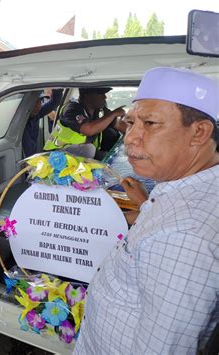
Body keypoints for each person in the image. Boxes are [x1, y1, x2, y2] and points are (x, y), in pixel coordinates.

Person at [74, 67, 218, 354]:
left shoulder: (185, 236)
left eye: (150, 123)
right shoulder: (188, 189)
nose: (130, 137)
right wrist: (146, 207)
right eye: (131, 122)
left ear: (199, 132)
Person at [44, 87, 126, 159]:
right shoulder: (72, 109)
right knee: (89, 150)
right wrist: (114, 113)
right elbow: (88, 130)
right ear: (87, 95)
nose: (105, 97)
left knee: (109, 158)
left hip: (78, 155)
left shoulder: (97, 112)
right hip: (56, 156)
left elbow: (118, 125)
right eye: (101, 94)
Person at [22, 89, 63, 157]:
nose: (39, 105)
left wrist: (57, 88)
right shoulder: (21, 121)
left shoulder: (37, 114)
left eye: (40, 101)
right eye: (36, 102)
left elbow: (54, 102)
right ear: (27, 104)